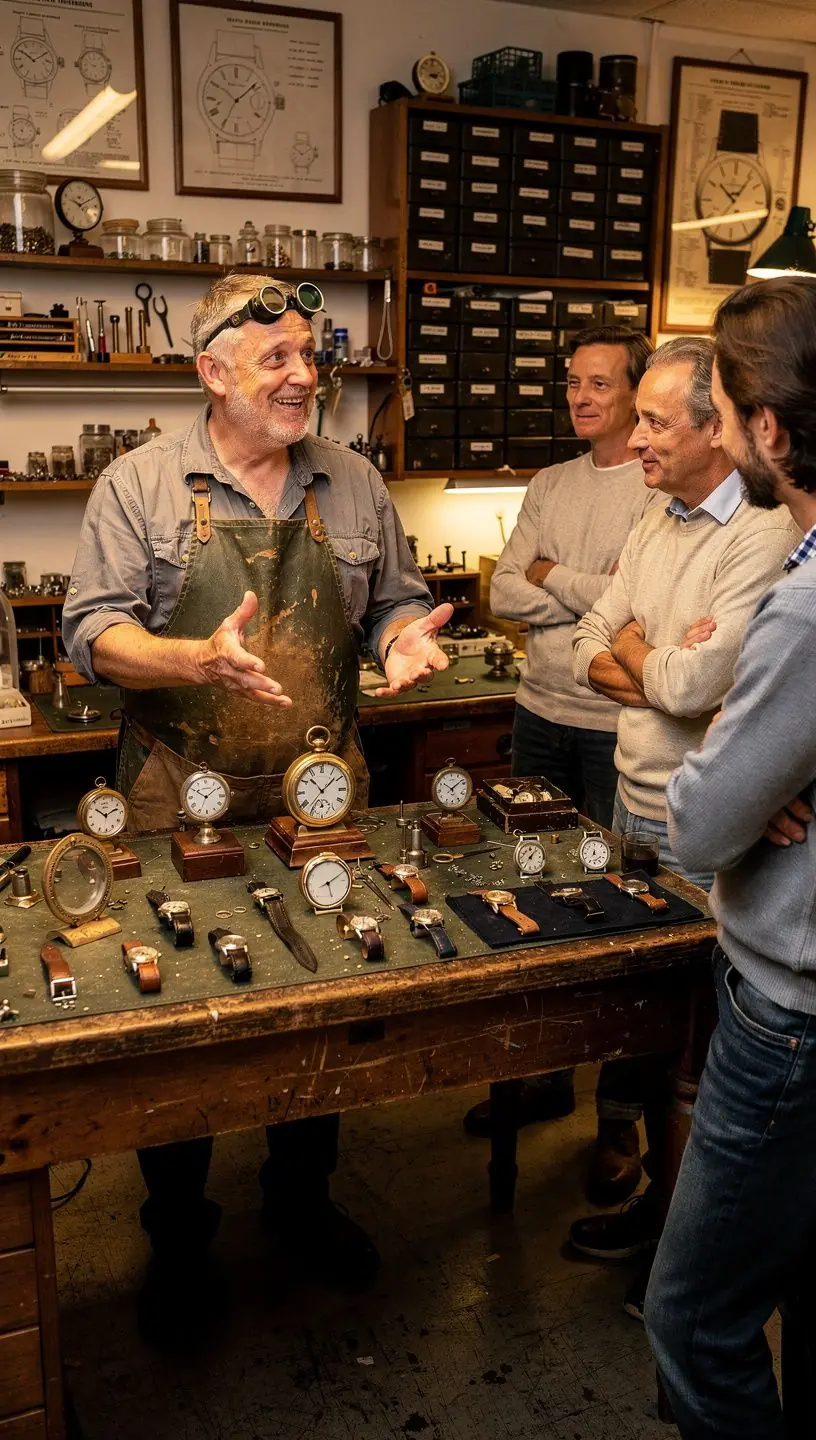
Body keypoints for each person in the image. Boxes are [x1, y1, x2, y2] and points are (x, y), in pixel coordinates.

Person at [62, 273, 451, 1329]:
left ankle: (300, 1199)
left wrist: (404, 639)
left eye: (308, 357)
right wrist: (192, 655)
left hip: (318, 788)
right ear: (212, 371)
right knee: (177, 1018)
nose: (302, 377)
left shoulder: (354, 481)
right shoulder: (138, 486)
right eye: (275, 358)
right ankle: (178, 1233)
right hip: (168, 795)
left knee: (325, 1000)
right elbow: (91, 631)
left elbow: (396, 603)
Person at [568, 336, 799, 1317]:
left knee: (703, 1063)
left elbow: (698, 683)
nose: (636, 434)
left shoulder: (763, 536)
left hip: (702, 817)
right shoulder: (654, 518)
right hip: (632, 803)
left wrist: (662, 672)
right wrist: (654, 663)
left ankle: (684, 1255)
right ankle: (656, 1215)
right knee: (649, 1035)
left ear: (725, 432)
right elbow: (591, 646)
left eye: (659, 420)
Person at [643, 276, 816, 1439]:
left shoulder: (801, 612)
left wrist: (735, 757)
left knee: (696, 1319)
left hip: (789, 1017)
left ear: (766, 427)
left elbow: (697, 823)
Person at [463, 326, 660, 1205]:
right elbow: (501, 591)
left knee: (618, 916)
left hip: (615, 726)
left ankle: (618, 1122)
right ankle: (541, 1076)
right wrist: (587, 587)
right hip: (539, 715)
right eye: (571, 383)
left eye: (598, 384)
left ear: (638, 391)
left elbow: (640, 617)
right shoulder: (548, 482)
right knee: (528, 895)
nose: (579, 398)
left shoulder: (656, 492)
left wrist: (555, 576)